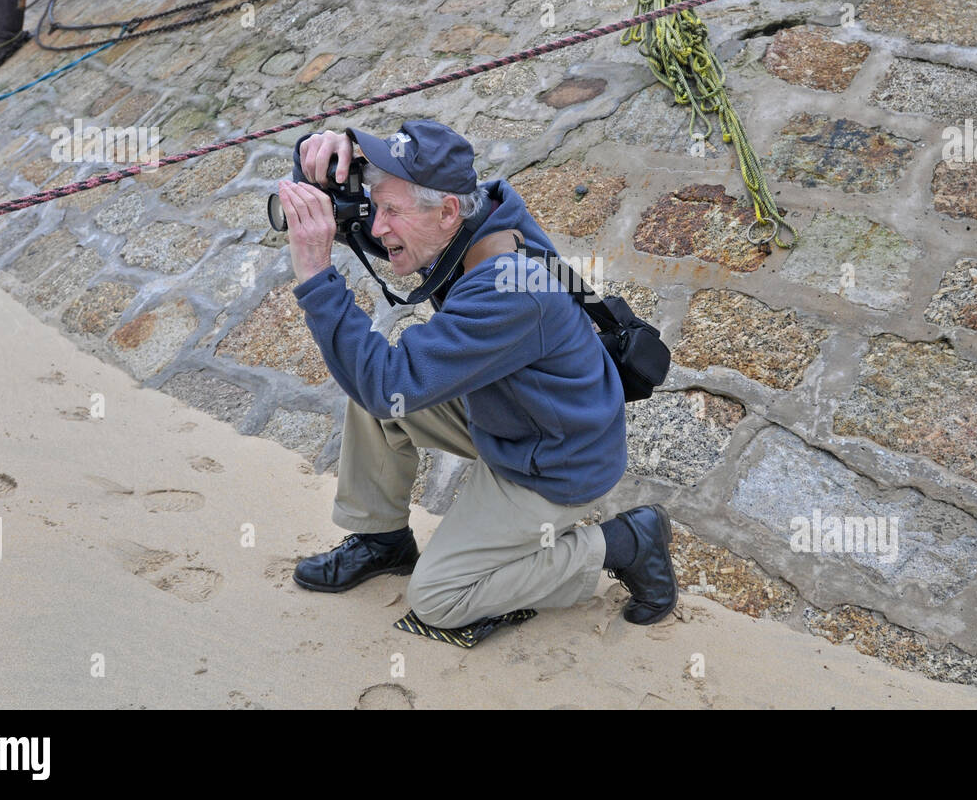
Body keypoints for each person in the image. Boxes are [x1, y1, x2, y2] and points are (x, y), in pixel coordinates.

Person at [276, 119, 677, 630]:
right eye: (379, 204)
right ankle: (383, 540)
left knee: (439, 599)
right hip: (508, 410)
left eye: (391, 211)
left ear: (445, 212)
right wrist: (322, 165)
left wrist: (314, 275)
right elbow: (374, 228)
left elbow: (389, 384)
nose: (378, 227)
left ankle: (625, 542)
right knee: (373, 395)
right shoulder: (474, 212)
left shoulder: (509, 288)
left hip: (552, 457)